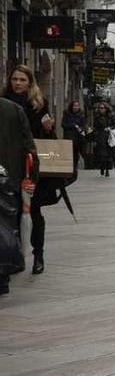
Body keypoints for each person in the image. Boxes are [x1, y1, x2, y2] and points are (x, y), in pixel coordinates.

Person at [1, 65, 54, 274]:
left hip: (30, 166)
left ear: (30, 82)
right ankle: (14, 257)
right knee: (8, 213)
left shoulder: (39, 105)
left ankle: (38, 254)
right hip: (8, 165)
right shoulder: (4, 101)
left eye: (22, 80)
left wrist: (48, 128)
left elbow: (48, 141)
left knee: (34, 212)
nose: (18, 83)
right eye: (15, 79)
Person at [0, 96, 37, 296]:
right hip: (8, 178)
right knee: (6, 227)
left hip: (7, 179)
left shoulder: (14, 109)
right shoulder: (13, 109)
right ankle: (3, 274)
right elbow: (29, 148)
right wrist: (32, 178)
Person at [62, 101, 87, 170]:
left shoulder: (81, 115)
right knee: (69, 153)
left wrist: (80, 128)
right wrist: (73, 126)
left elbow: (84, 126)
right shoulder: (67, 114)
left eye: (77, 106)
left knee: (76, 153)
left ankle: (74, 166)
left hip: (78, 138)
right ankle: (70, 166)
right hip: (69, 137)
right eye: (74, 106)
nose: (76, 107)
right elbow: (63, 124)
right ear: (71, 107)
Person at [93, 103, 114, 177]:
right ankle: (102, 167)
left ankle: (107, 169)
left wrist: (110, 128)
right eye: (100, 108)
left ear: (106, 109)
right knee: (102, 154)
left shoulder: (110, 117)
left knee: (108, 154)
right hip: (101, 136)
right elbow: (95, 127)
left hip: (109, 137)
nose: (101, 109)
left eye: (102, 108)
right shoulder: (97, 117)